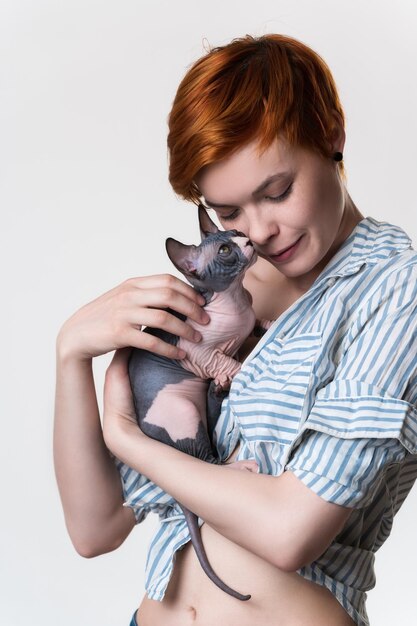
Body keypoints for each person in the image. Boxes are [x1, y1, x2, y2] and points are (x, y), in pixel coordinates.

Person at [53, 33, 417, 626]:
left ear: (332, 135)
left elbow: (289, 531)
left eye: (277, 192)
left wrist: (129, 439)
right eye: (228, 213)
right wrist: (71, 352)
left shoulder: (397, 292)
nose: (260, 232)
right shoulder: (227, 300)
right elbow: (97, 529)